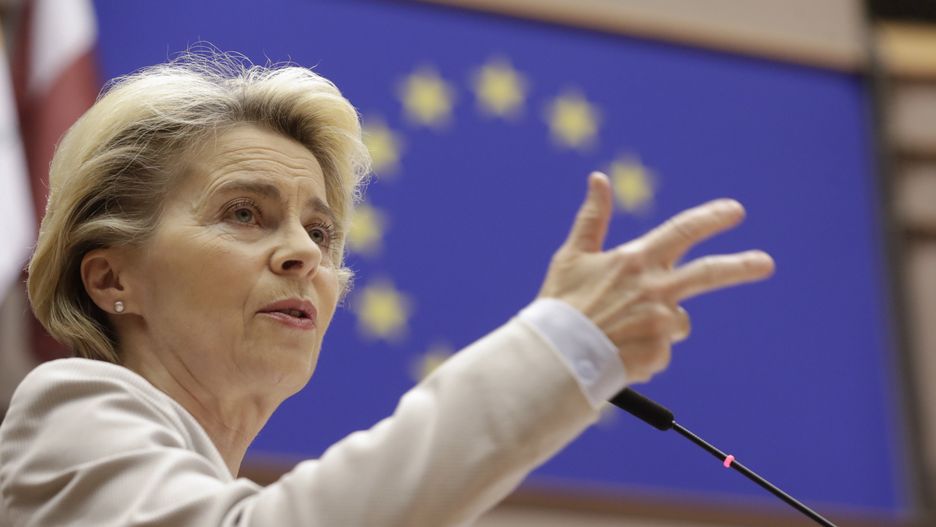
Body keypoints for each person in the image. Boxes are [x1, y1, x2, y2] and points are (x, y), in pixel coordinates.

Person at [0, 51, 774, 526]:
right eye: (244, 213)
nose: (303, 253)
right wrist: (561, 344)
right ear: (112, 277)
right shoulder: (67, 412)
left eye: (321, 230)